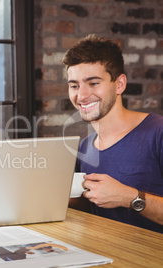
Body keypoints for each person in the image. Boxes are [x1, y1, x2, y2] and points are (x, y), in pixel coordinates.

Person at [63, 35, 163, 233]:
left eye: (93, 83)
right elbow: (95, 213)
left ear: (120, 84)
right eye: (74, 86)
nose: (81, 95)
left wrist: (129, 197)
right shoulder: (85, 147)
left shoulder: (157, 132)